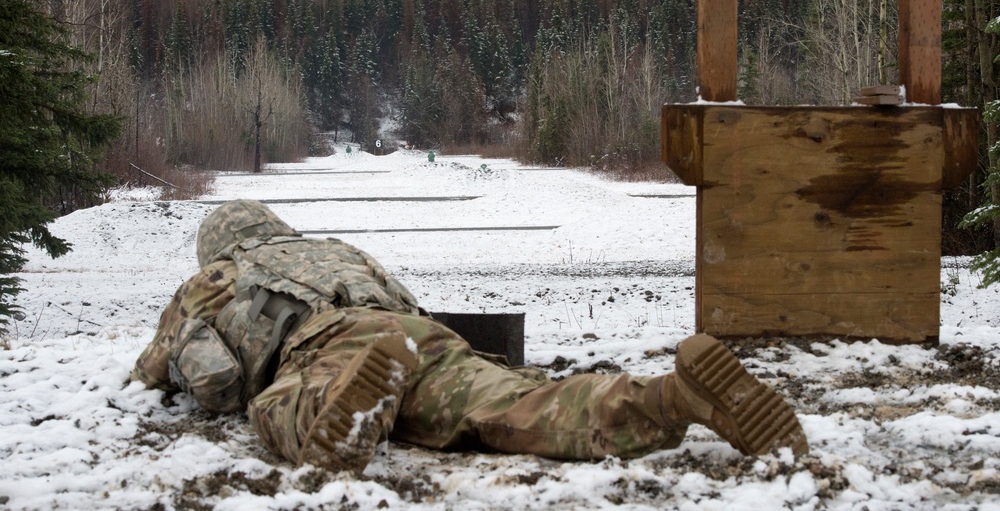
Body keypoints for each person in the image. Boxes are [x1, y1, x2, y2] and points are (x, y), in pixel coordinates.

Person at [133, 200, 808, 473]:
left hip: (327, 345)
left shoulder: (211, 282)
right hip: (417, 336)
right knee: (517, 406)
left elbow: (206, 378)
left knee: (269, 406)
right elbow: (407, 305)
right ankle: (671, 398)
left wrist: (176, 354)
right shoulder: (338, 250)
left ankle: (329, 417)